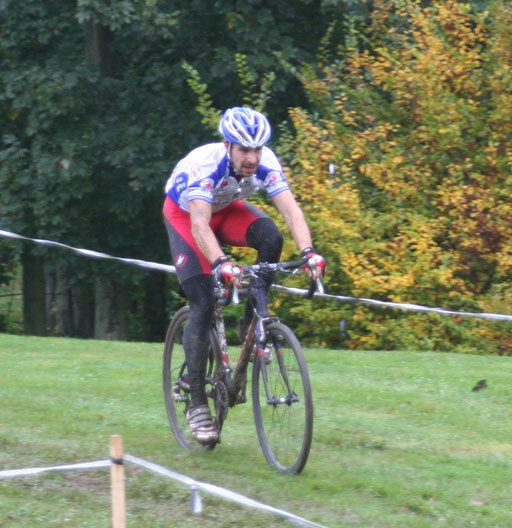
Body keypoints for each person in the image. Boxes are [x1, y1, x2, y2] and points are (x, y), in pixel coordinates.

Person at [163, 107, 325, 445]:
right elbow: (198, 225)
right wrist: (222, 261)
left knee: (272, 238)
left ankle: (252, 323)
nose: (252, 158)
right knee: (204, 301)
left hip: (226, 211)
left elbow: (291, 210)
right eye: (244, 149)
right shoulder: (206, 166)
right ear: (228, 145)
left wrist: (309, 252)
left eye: (257, 149)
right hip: (187, 218)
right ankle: (196, 403)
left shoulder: (267, 162)